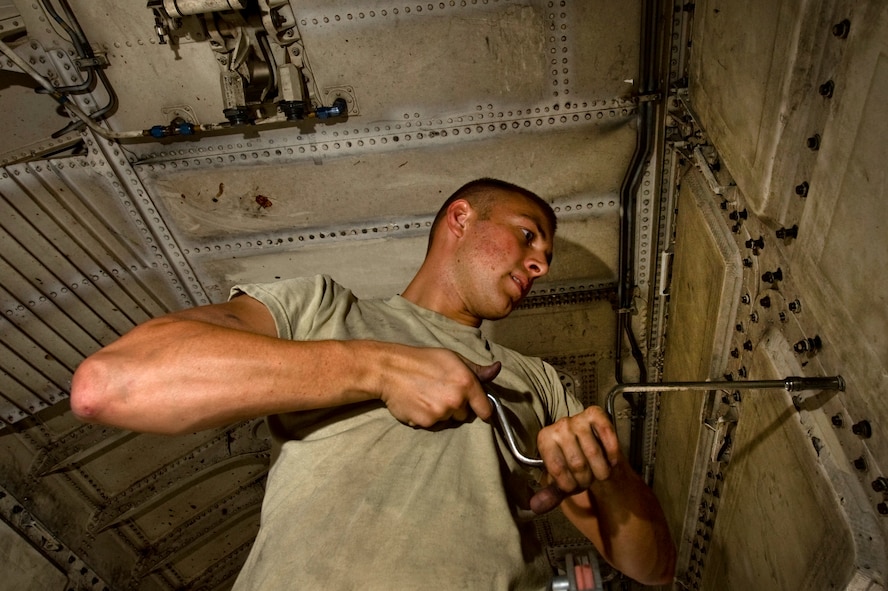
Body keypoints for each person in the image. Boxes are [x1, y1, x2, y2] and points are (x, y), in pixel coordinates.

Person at [71, 178, 675, 589]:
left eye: (545, 255)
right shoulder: (323, 310)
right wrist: (376, 368)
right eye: (527, 235)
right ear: (461, 218)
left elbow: (653, 567)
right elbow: (113, 384)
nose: (540, 263)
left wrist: (611, 473)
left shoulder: (537, 382)